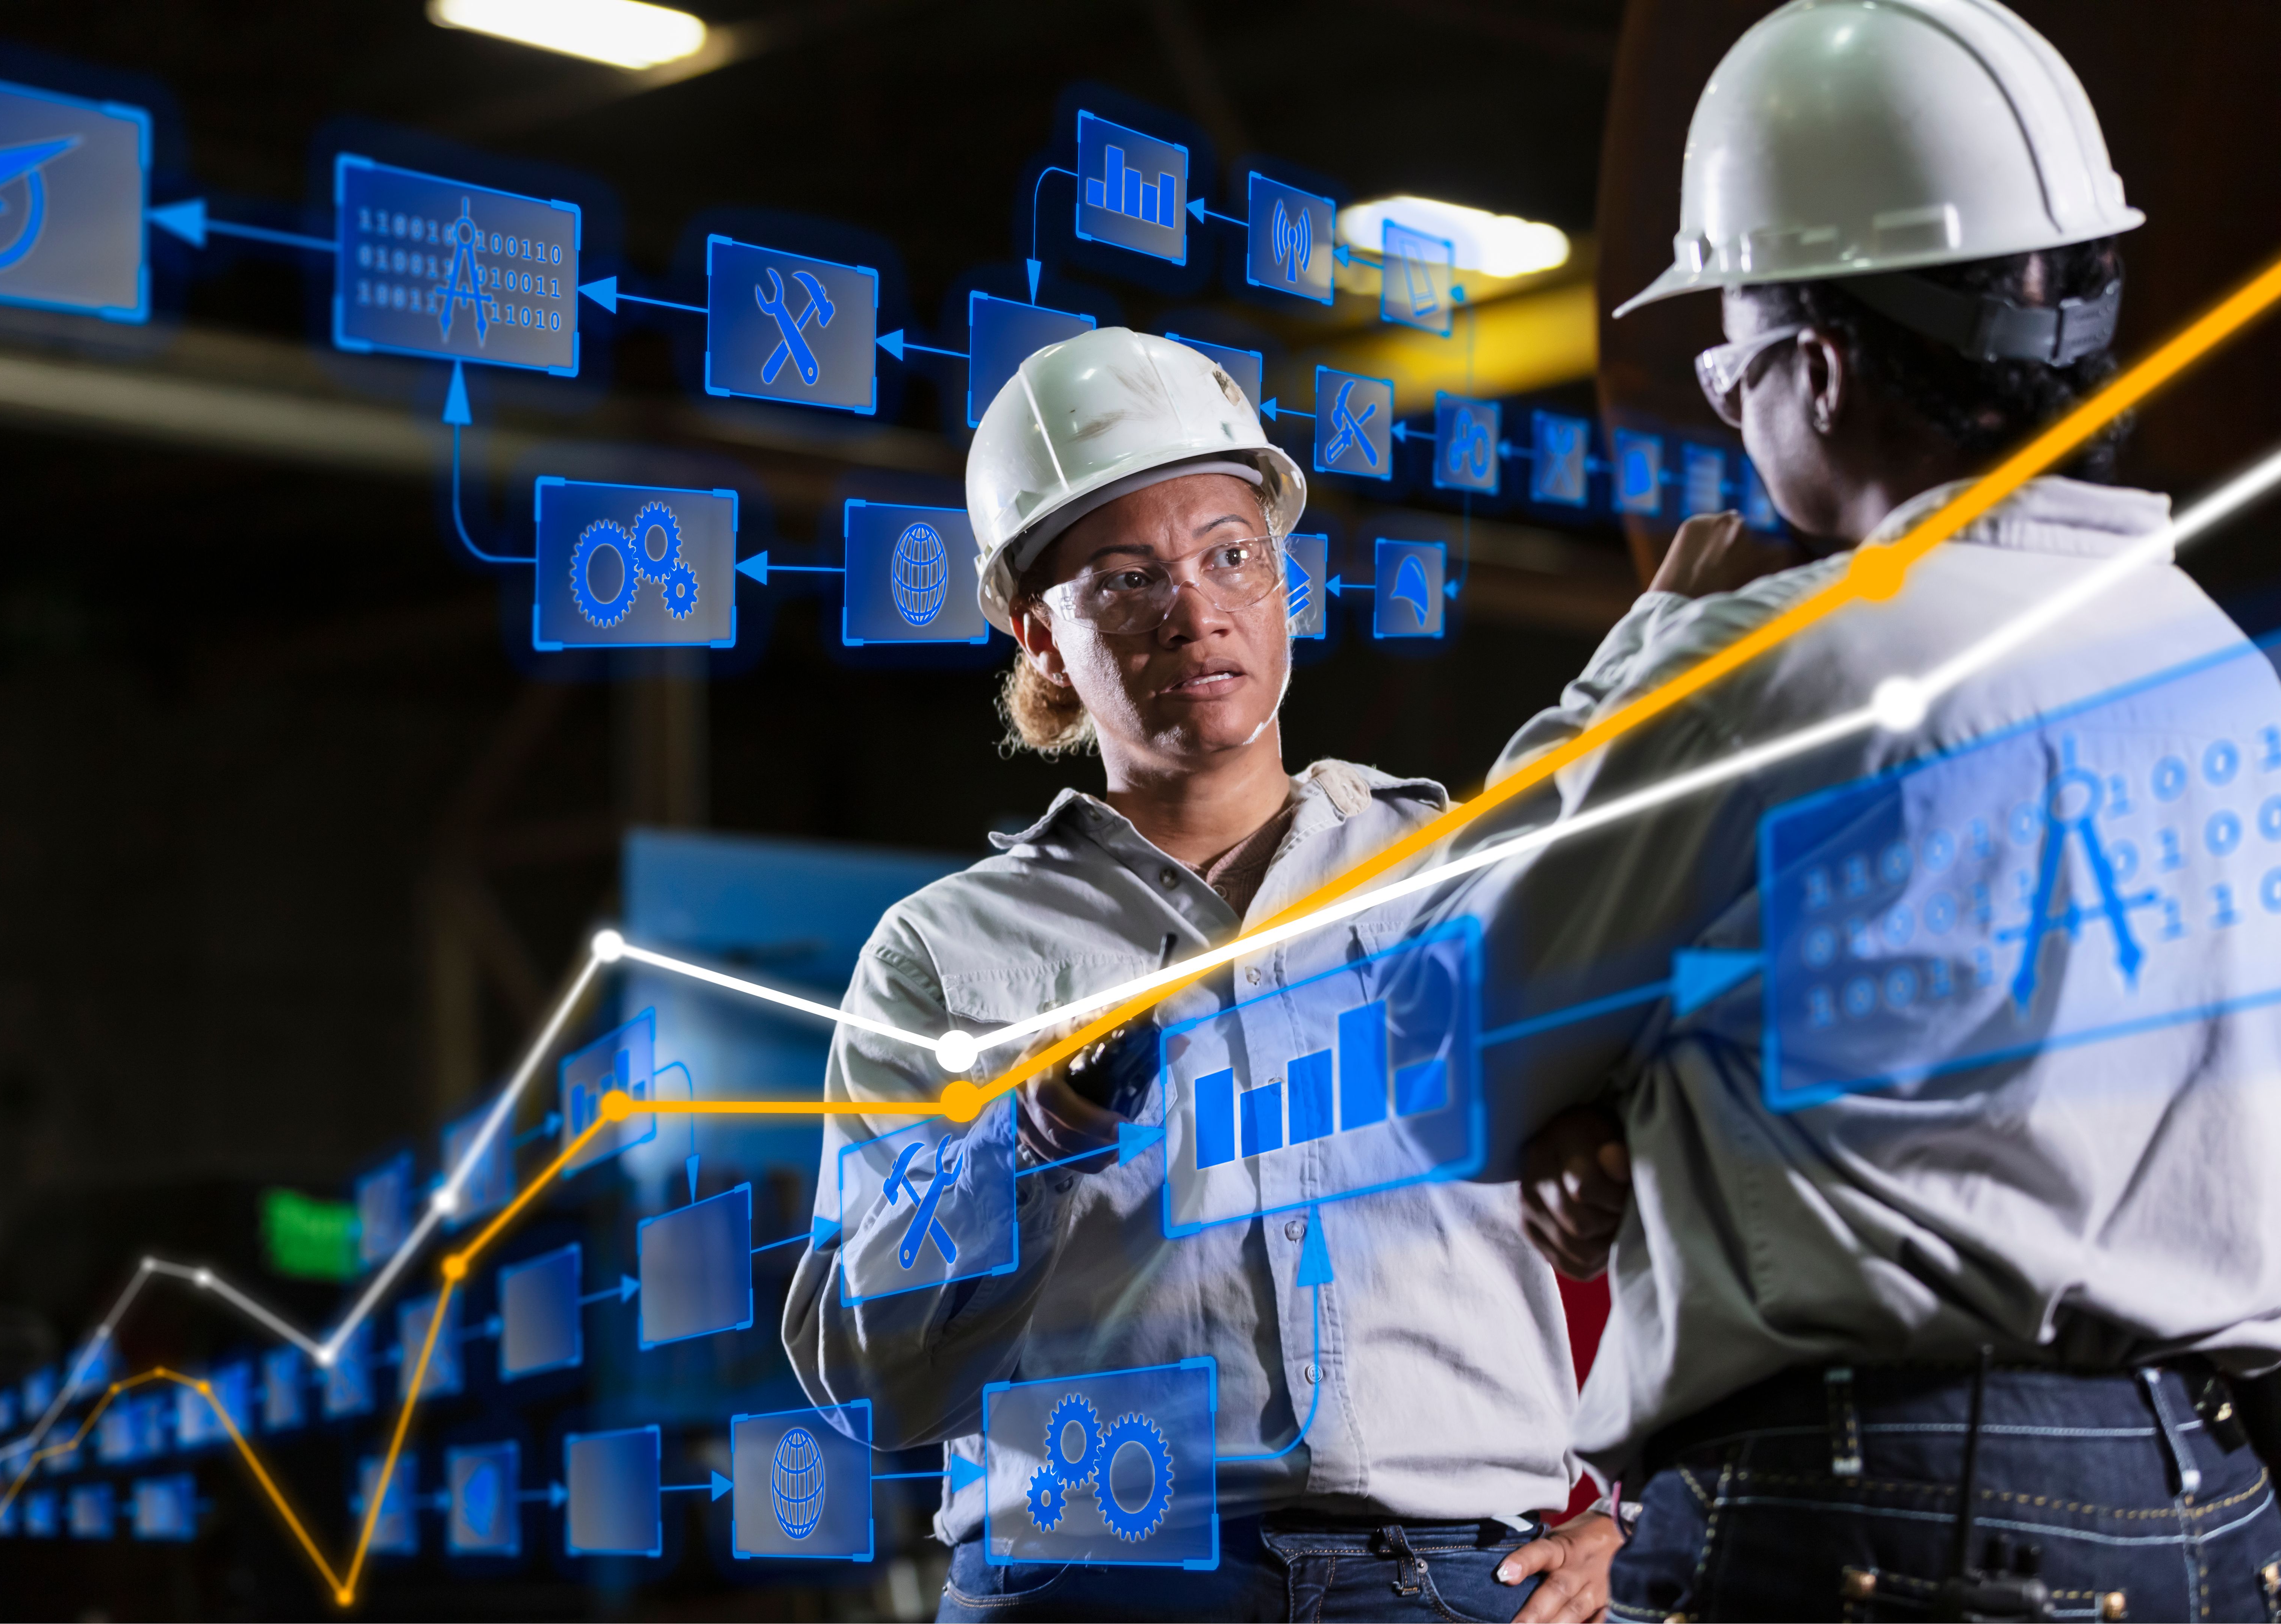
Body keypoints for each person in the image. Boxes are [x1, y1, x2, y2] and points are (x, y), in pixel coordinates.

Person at [1428, 1, 2281, 1616]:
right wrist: (1670, 1100)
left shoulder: (1783, 668)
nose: (1723, 406)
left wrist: (1638, 667)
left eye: (1725, 360)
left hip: (1877, 1507)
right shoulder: (2226, 672)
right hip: (2208, 1508)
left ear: (1816, 369)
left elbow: (1440, 1051)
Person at [781, 328, 1619, 1622]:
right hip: (1095, 1588)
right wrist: (1036, 1135)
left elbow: (1692, 1176)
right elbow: (870, 1380)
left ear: (1283, 583)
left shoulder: (1470, 879)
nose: (1194, 608)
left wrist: (1638, 1505)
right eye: (1123, 580)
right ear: (1041, 638)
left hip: (1457, 1586)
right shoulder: (944, 956)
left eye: (1231, 555)